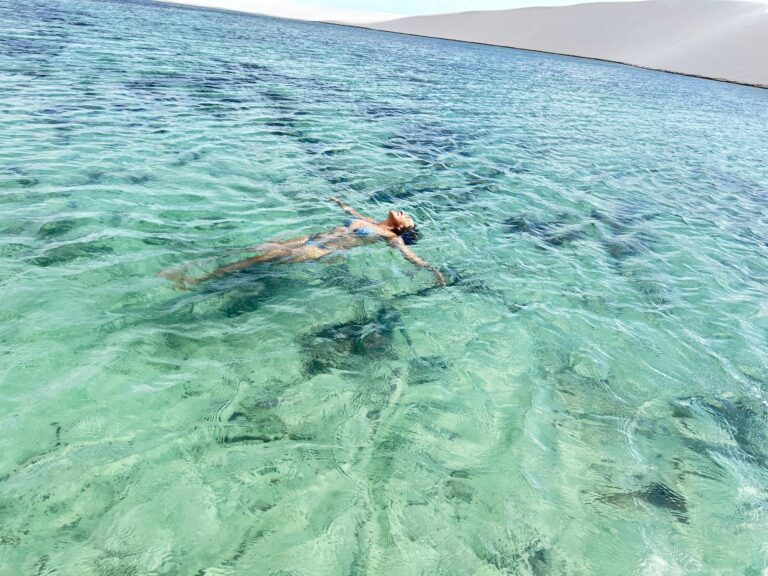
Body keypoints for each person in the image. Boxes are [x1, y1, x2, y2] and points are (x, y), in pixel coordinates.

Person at [161, 197, 445, 288]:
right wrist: (339, 202)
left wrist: (433, 271)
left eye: (407, 217)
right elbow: (352, 214)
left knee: (253, 262)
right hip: (308, 238)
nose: (404, 212)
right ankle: (188, 268)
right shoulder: (371, 221)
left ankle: (197, 281)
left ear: (402, 227)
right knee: (252, 249)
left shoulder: (390, 236)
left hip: (317, 249)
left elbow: (409, 256)